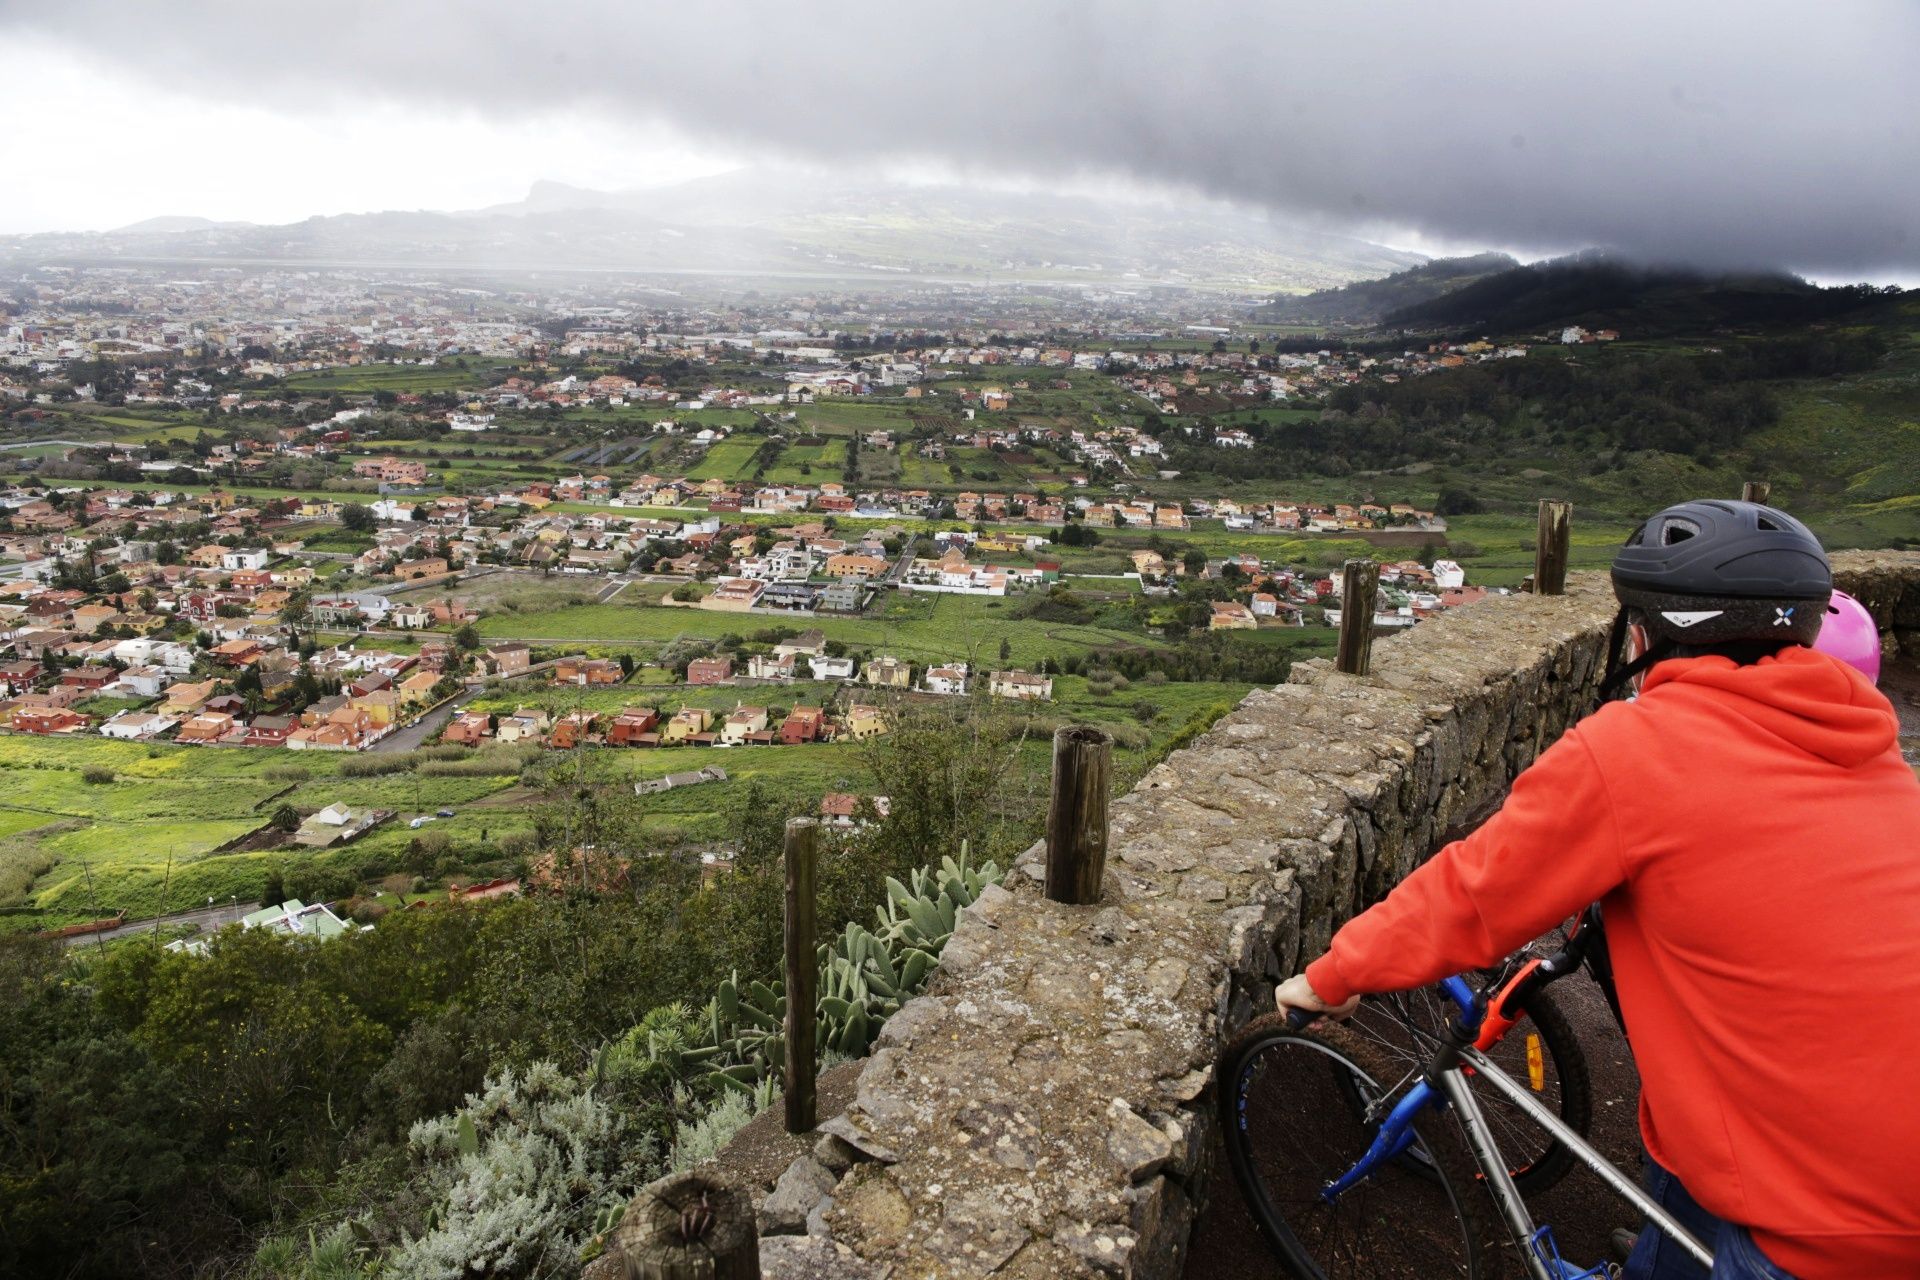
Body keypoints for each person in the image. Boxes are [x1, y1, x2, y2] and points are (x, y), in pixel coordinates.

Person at [1273, 499, 1920, 1280]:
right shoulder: (1877, 756)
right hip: (1852, 1157)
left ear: (1642, 634)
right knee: (1682, 1172)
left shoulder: (1639, 749)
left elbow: (1474, 891)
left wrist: (1334, 975)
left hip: (1816, 1220)